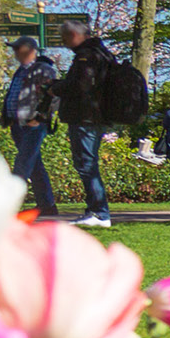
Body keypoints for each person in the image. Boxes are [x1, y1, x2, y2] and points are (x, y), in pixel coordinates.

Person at [53, 18, 117, 226]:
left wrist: (55, 87)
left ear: (75, 35)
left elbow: (80, 86)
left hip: (85, 117)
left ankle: (99, 213)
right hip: (95, 116)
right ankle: (95, 211)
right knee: (87, 163)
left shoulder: (86, 57)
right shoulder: (101, 54)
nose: (64, 43)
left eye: (65, 38)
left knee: (87, 164)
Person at [3, 35, 60, 217]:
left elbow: (53, 96)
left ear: (31, 50)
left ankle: (8, 206)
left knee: (23, 165)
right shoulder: (20, 71)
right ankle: (47, 205)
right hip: (18, 124)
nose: (16, 52)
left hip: (34, 124)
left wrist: (40, 117)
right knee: (34, 166)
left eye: (19, 48)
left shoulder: (43, 70)